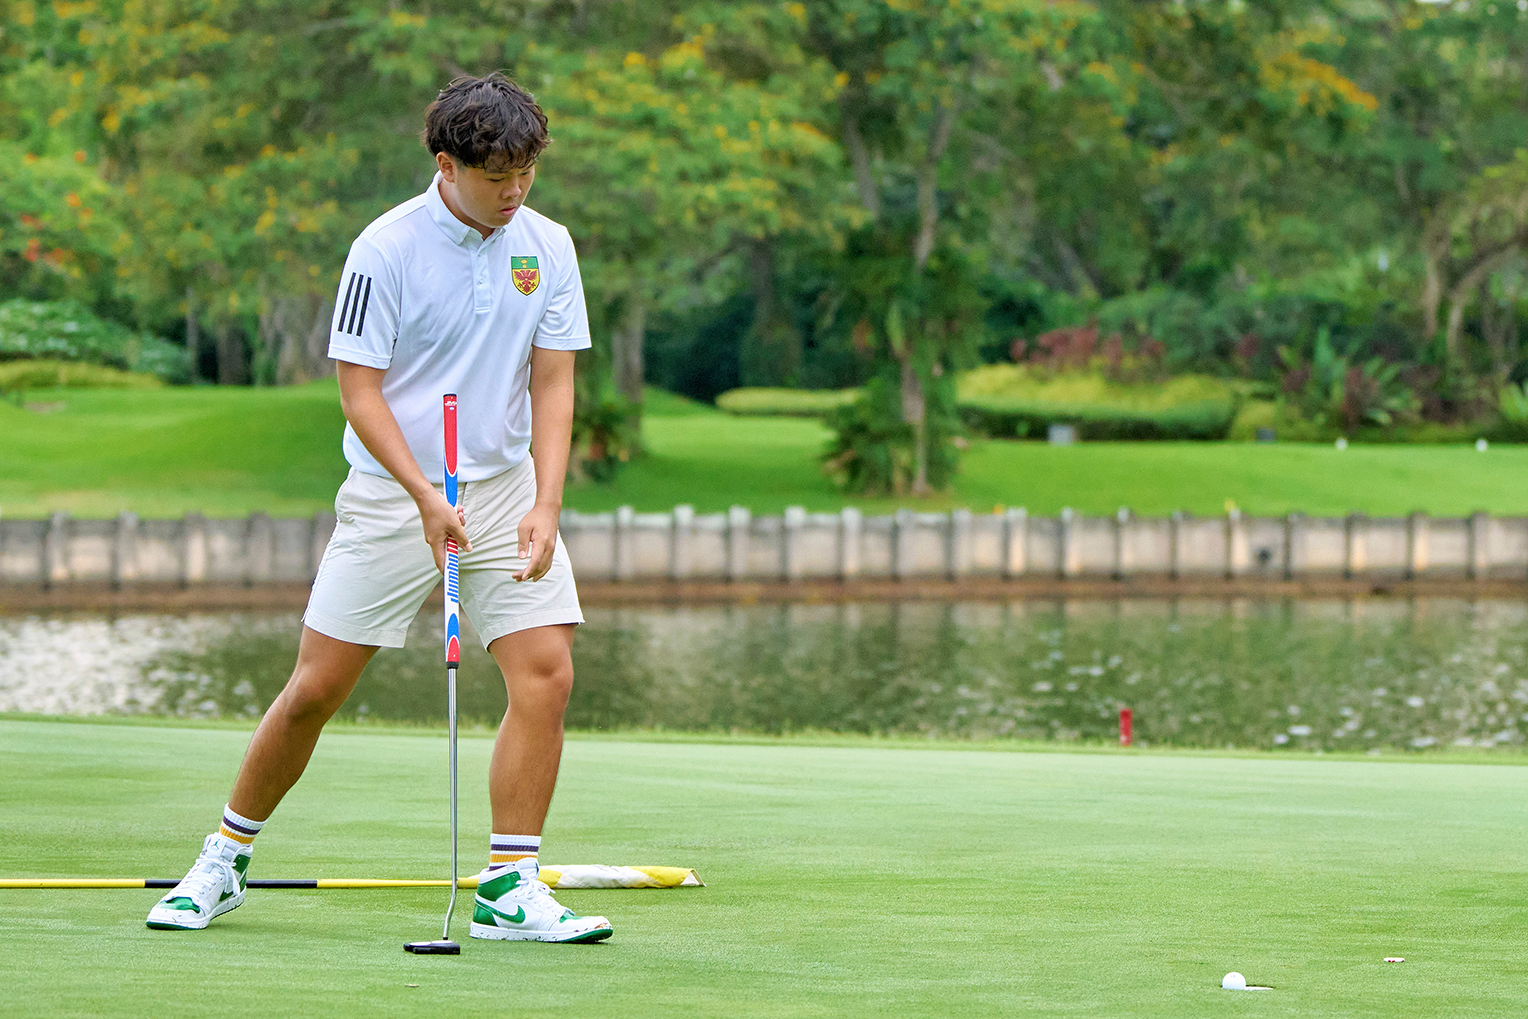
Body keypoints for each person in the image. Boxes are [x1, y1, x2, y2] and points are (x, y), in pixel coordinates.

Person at [145, 73, 611, 944]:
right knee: (315, 689)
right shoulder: (385, 248)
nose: (515, 192)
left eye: (528, 174)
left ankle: (509, 886)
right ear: (447, 164)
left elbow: (554, 379)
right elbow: (358, 389)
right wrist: (426, 495)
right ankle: (224, 856)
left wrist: (547, 500)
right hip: (395, 494)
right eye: (498, 177)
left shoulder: (547, 246)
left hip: (505, 485)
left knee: (547, 672)